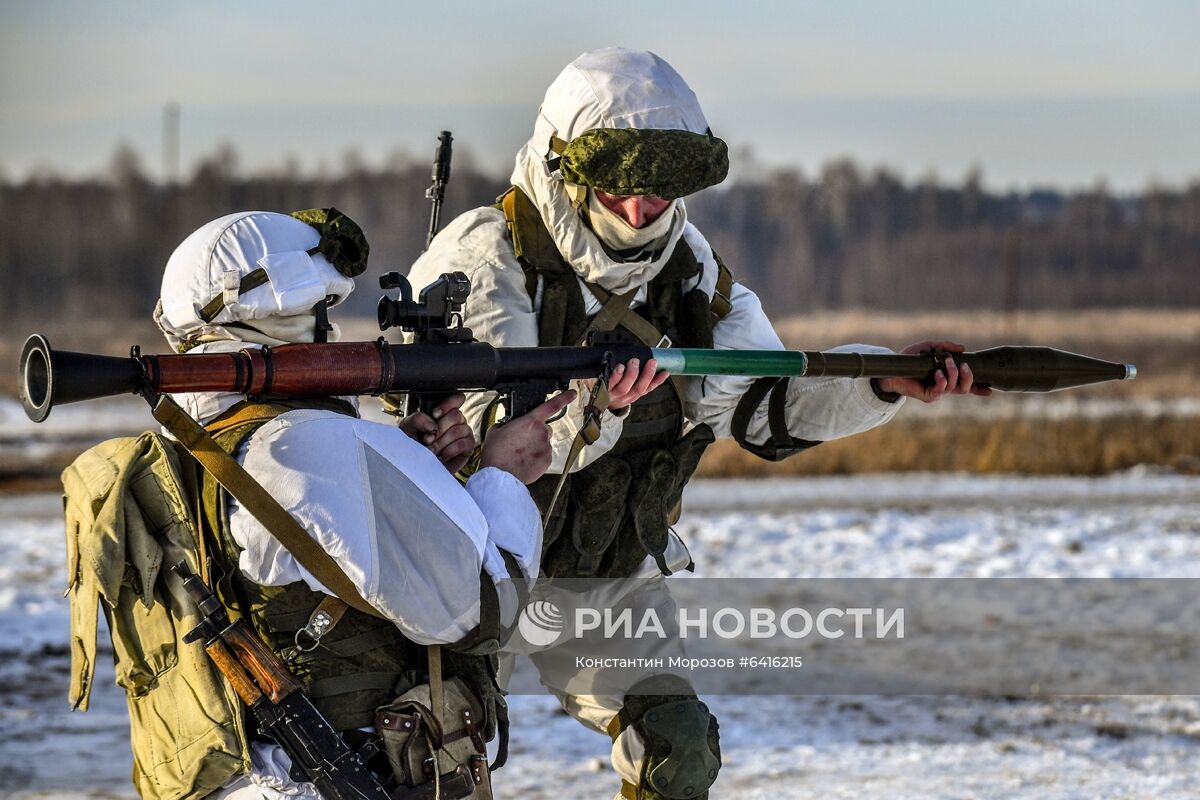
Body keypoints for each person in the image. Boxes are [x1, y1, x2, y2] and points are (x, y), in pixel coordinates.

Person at [404, 48, 989, 800]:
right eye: (621, 189)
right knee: (433, 762)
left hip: (604, 579)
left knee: (676, 752)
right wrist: (596, 408)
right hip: (471, 577)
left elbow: (765, 406)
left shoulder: (690, 272)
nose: (642, 212)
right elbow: (492, 455)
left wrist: (880, 380)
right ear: (566, 167)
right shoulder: (485, 260)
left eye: (662, 191)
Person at [150, 209, 573, 799]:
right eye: (323, 309)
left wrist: (427, 483)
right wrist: (502, 477)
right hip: (336, 777)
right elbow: (484, 613)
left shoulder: (204, 440)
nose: (331, 329)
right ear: (286, 310)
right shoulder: (309, 444)